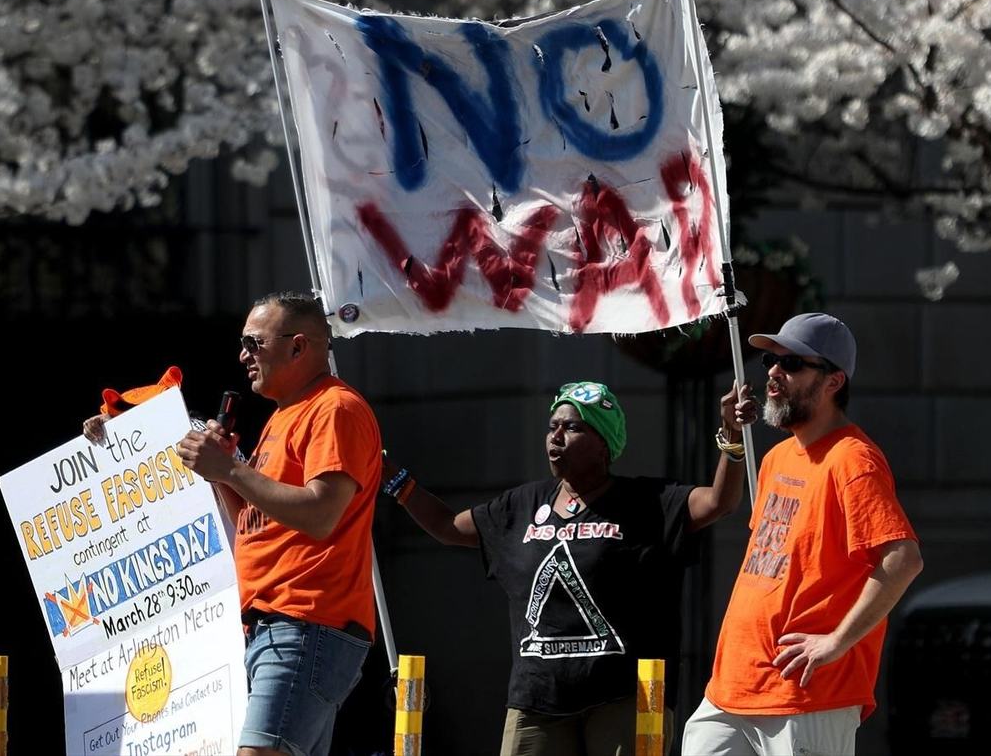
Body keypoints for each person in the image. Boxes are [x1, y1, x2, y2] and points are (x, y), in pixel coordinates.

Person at [383, 378, 756, 756]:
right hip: (536, 700)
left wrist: (733, 436)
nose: (555, 436)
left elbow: (718, 503)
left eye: (572, 427)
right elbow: (449, 527)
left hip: (626, 698)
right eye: (552, 426)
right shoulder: (521, 505)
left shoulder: (647, 502)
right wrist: (396, 481)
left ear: (603, 445)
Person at [682, 313, 922, 756]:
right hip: (732, 686)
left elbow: (902, 560)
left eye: (792, 363)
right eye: (772, 361)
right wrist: (732, 437)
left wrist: (836, 642)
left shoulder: (854, 460)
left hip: (807, 695)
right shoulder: (776, 456)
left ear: (833, 382)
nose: (774, 372)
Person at [177, 291, 382, 756]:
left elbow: (321, 514)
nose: (242, 355)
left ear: (298, 347)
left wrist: (231, 469)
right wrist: (221, 474)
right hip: (281, 627)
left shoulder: (333, 409)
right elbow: (254, 526)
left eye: (254, 342)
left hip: (305, 623)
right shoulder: (284, 416)